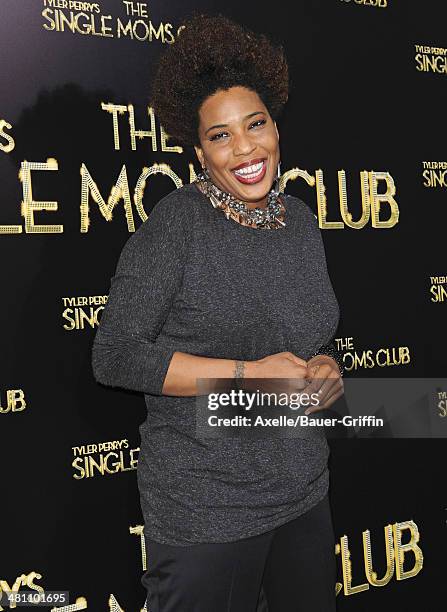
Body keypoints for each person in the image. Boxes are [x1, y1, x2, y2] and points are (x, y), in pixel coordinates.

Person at [91, 12, 344, 612]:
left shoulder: (302, 224)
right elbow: (115, 355)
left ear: (275, 127)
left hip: (304, 493)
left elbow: (312, 338)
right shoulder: (177, 227)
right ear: (200, 152)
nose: (245, 149)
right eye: (220, 136)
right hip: (206, 513)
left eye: (255, 125)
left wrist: (327, 370)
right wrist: (244, 375)